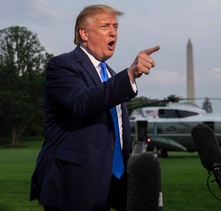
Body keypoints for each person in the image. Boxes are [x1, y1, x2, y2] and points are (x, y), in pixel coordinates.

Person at [30, 4, 160, 211]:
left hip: (109, 184)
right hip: (73, 186)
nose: (113, 33)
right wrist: (129, 74)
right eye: (105, 26)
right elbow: (83, 102)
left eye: (116, 27)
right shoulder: (62, 65)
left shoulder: (109, 73)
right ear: (84, 33)